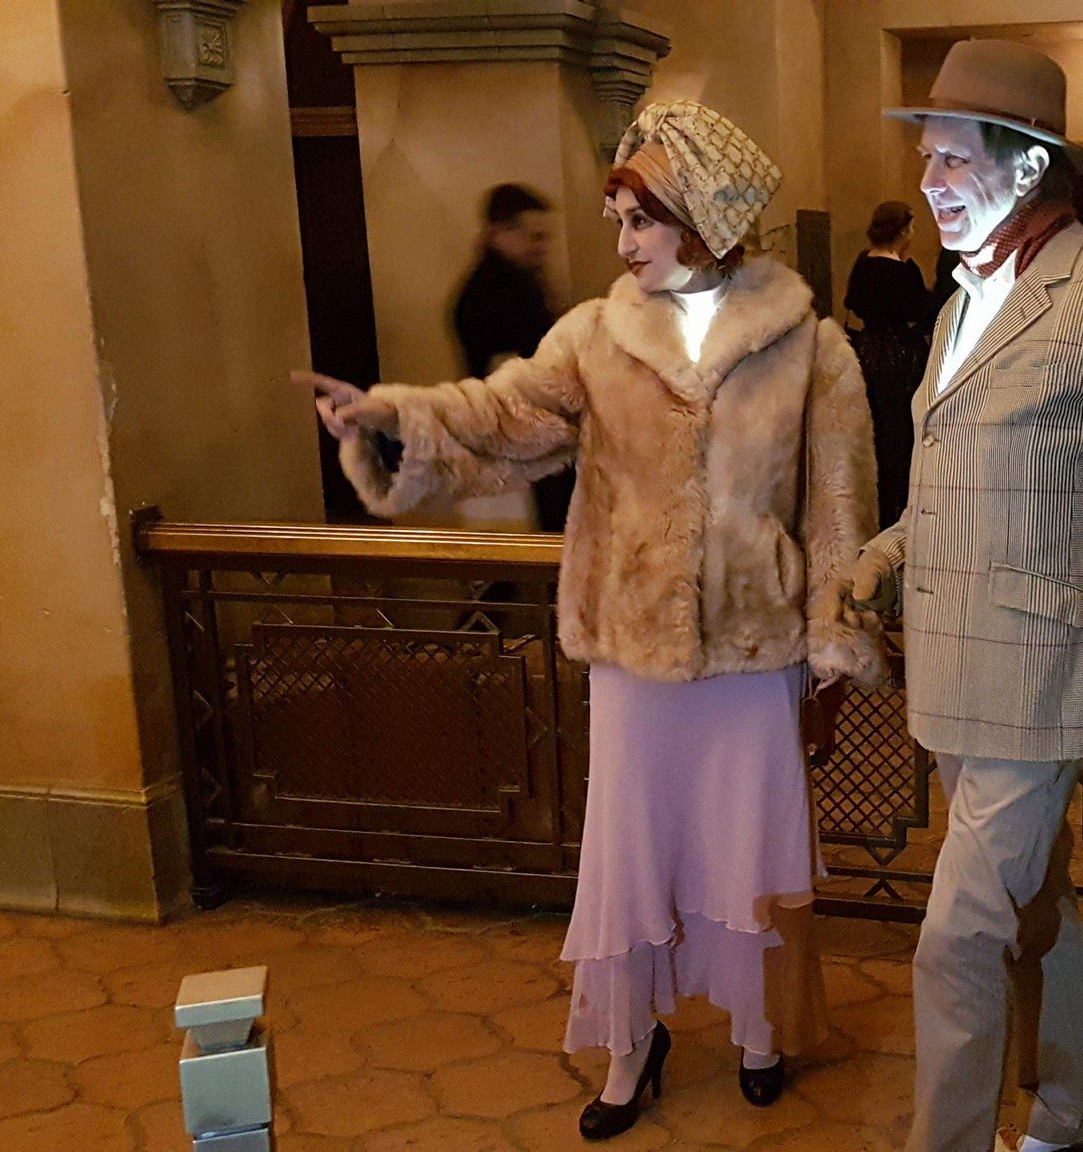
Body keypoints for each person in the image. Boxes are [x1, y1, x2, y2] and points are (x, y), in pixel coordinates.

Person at [300, 101, 885, 1142]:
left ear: (705, 218)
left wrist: (836, 635)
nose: (622, 243)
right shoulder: (594, 335)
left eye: (641, 220)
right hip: (628, 650)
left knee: (749, 849)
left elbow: (838, 503)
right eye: (618, 219)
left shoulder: (811, 346)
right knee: (630, 852)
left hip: (754, 658)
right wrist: (392, 413)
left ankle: (758, 1032)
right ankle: (630, 1043)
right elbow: (502, 415)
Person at [850, 40, 1083, 1152]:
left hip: (1042, 675)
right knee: (1030, 911)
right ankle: (1074, 1114)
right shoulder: (960, 302)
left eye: (950, 159)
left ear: (1024, 166)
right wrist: (875, 561)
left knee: (955, 940)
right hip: (955, 663)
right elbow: (949, 486)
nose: (927, 181)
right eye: (924, 158)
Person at [451, 183, 572, 531]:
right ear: (501, 233)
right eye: (535, 237)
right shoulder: (494, 294)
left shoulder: (510, 283)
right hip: (519, 438)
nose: (542, 247)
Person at [844, 200, 935, 527]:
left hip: (868, 352)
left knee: (875, 433)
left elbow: (852, 303)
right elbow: (923, 314)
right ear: (902, 231)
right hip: (900, 358)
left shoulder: (862, 264)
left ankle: (875, 511)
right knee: (901, 436)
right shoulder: (905, 271)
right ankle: (898, 513)